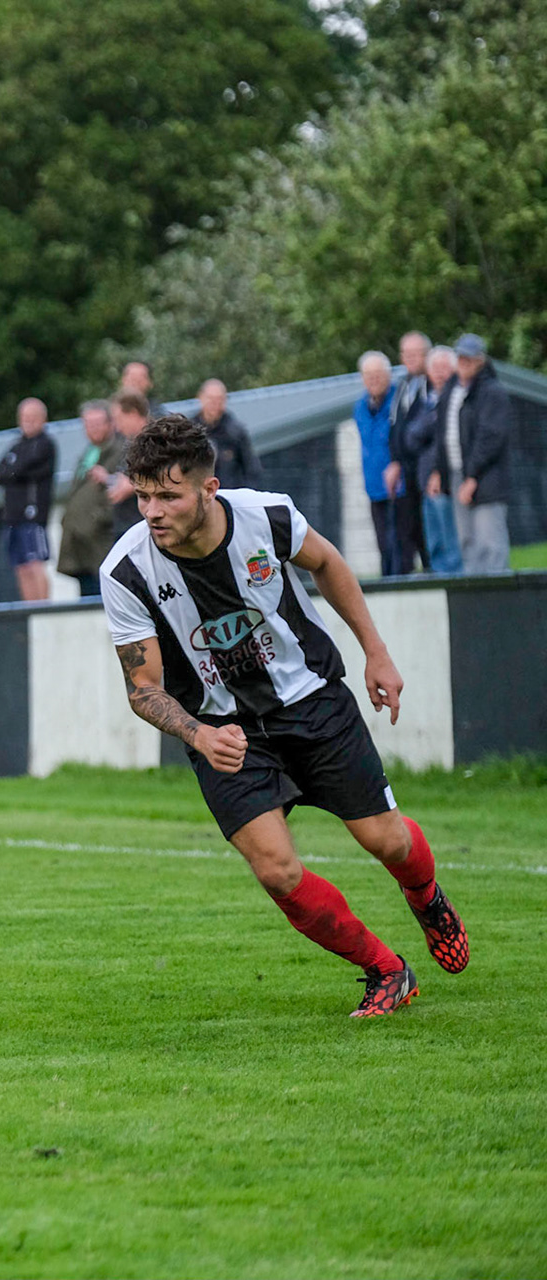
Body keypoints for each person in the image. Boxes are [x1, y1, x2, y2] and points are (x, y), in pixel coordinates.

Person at [100, 415, 468, 1018]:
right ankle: (385, 970)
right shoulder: (126, 570)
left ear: (208, 489)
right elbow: (142, 688)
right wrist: (197, 733)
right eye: (142, 495)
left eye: (168, 495)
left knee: (387, 840)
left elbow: (327, 563)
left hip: (312, 703)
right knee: (275, 871)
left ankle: (424, 895)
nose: (151, 511)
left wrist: (376, 652)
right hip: (224, 732)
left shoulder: (265, 516)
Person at [441, 335, 514, 573]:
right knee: (467, 544)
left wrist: (472, 477)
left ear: (480, 360)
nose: (464, 362)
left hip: (486, 479)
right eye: (460, 356)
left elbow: (490, 437)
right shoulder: (453, 389)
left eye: (469, 358)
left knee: (490, 544)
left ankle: (497, 602)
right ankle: (474, 601)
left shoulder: (492, 392)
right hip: (458, 474)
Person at [56, 400, 124, 597]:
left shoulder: (121, 450)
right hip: (80, 546)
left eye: (97, 423)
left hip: (102, 545)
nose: (91, 429)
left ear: (111, 423)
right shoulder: (88, 453)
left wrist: (97, 519)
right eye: (87, 424)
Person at [0, 397, 58, 602]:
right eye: (24, 417)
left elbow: (22, 469)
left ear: (43, 419)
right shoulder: (16, 446)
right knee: (20, 566)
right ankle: (30, 609)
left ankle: (43, 608)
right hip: (12, 517)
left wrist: (15, 469)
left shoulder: (45, 445)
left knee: (35, 563)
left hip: (33, 515)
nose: (28, 422)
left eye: (33, 417)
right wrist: (15, 469)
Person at [406, 346, 462, 573]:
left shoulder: (456, 400)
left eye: (444, 368)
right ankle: (441, 583)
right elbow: (411, 437)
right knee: (435, 543)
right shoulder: (426, 401)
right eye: (435, 368)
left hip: (444, 482)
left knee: (452, 540)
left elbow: (445, 438)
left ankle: (457, 586)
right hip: (424, 482)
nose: (439, 373)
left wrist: (439, 472)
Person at [384, 332, 431, 574]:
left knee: (427, 529)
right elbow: (395, 428)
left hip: (425, 469)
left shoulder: (432, 383)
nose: (411, 359)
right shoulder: (402, 386)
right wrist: (394, 462)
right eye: (406, 354)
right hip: (404, 472)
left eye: (416, 353)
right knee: (405, 528)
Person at [353, 352, 400, 575]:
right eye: (368, 375)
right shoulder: (360, 407)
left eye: (378, 374)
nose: (374, 379)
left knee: (400, 544)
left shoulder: (399, 401)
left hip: (399, 486)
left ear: (388, 375)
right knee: (383, 543)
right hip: (374, 486)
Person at [195, 379, 262, 490]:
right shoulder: (191, 430)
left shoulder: (236, 432)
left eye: (220, 399)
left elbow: (251, 469)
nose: (215, 404)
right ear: (200, 398)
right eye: (211, 399)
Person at [107, 391, 151, 538]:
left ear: (133, 413)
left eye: (119, 419)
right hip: (125, 526)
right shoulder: (129, 443)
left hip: (143, 528)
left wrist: (132, 485)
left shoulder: (155, 442)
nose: (117, 427)